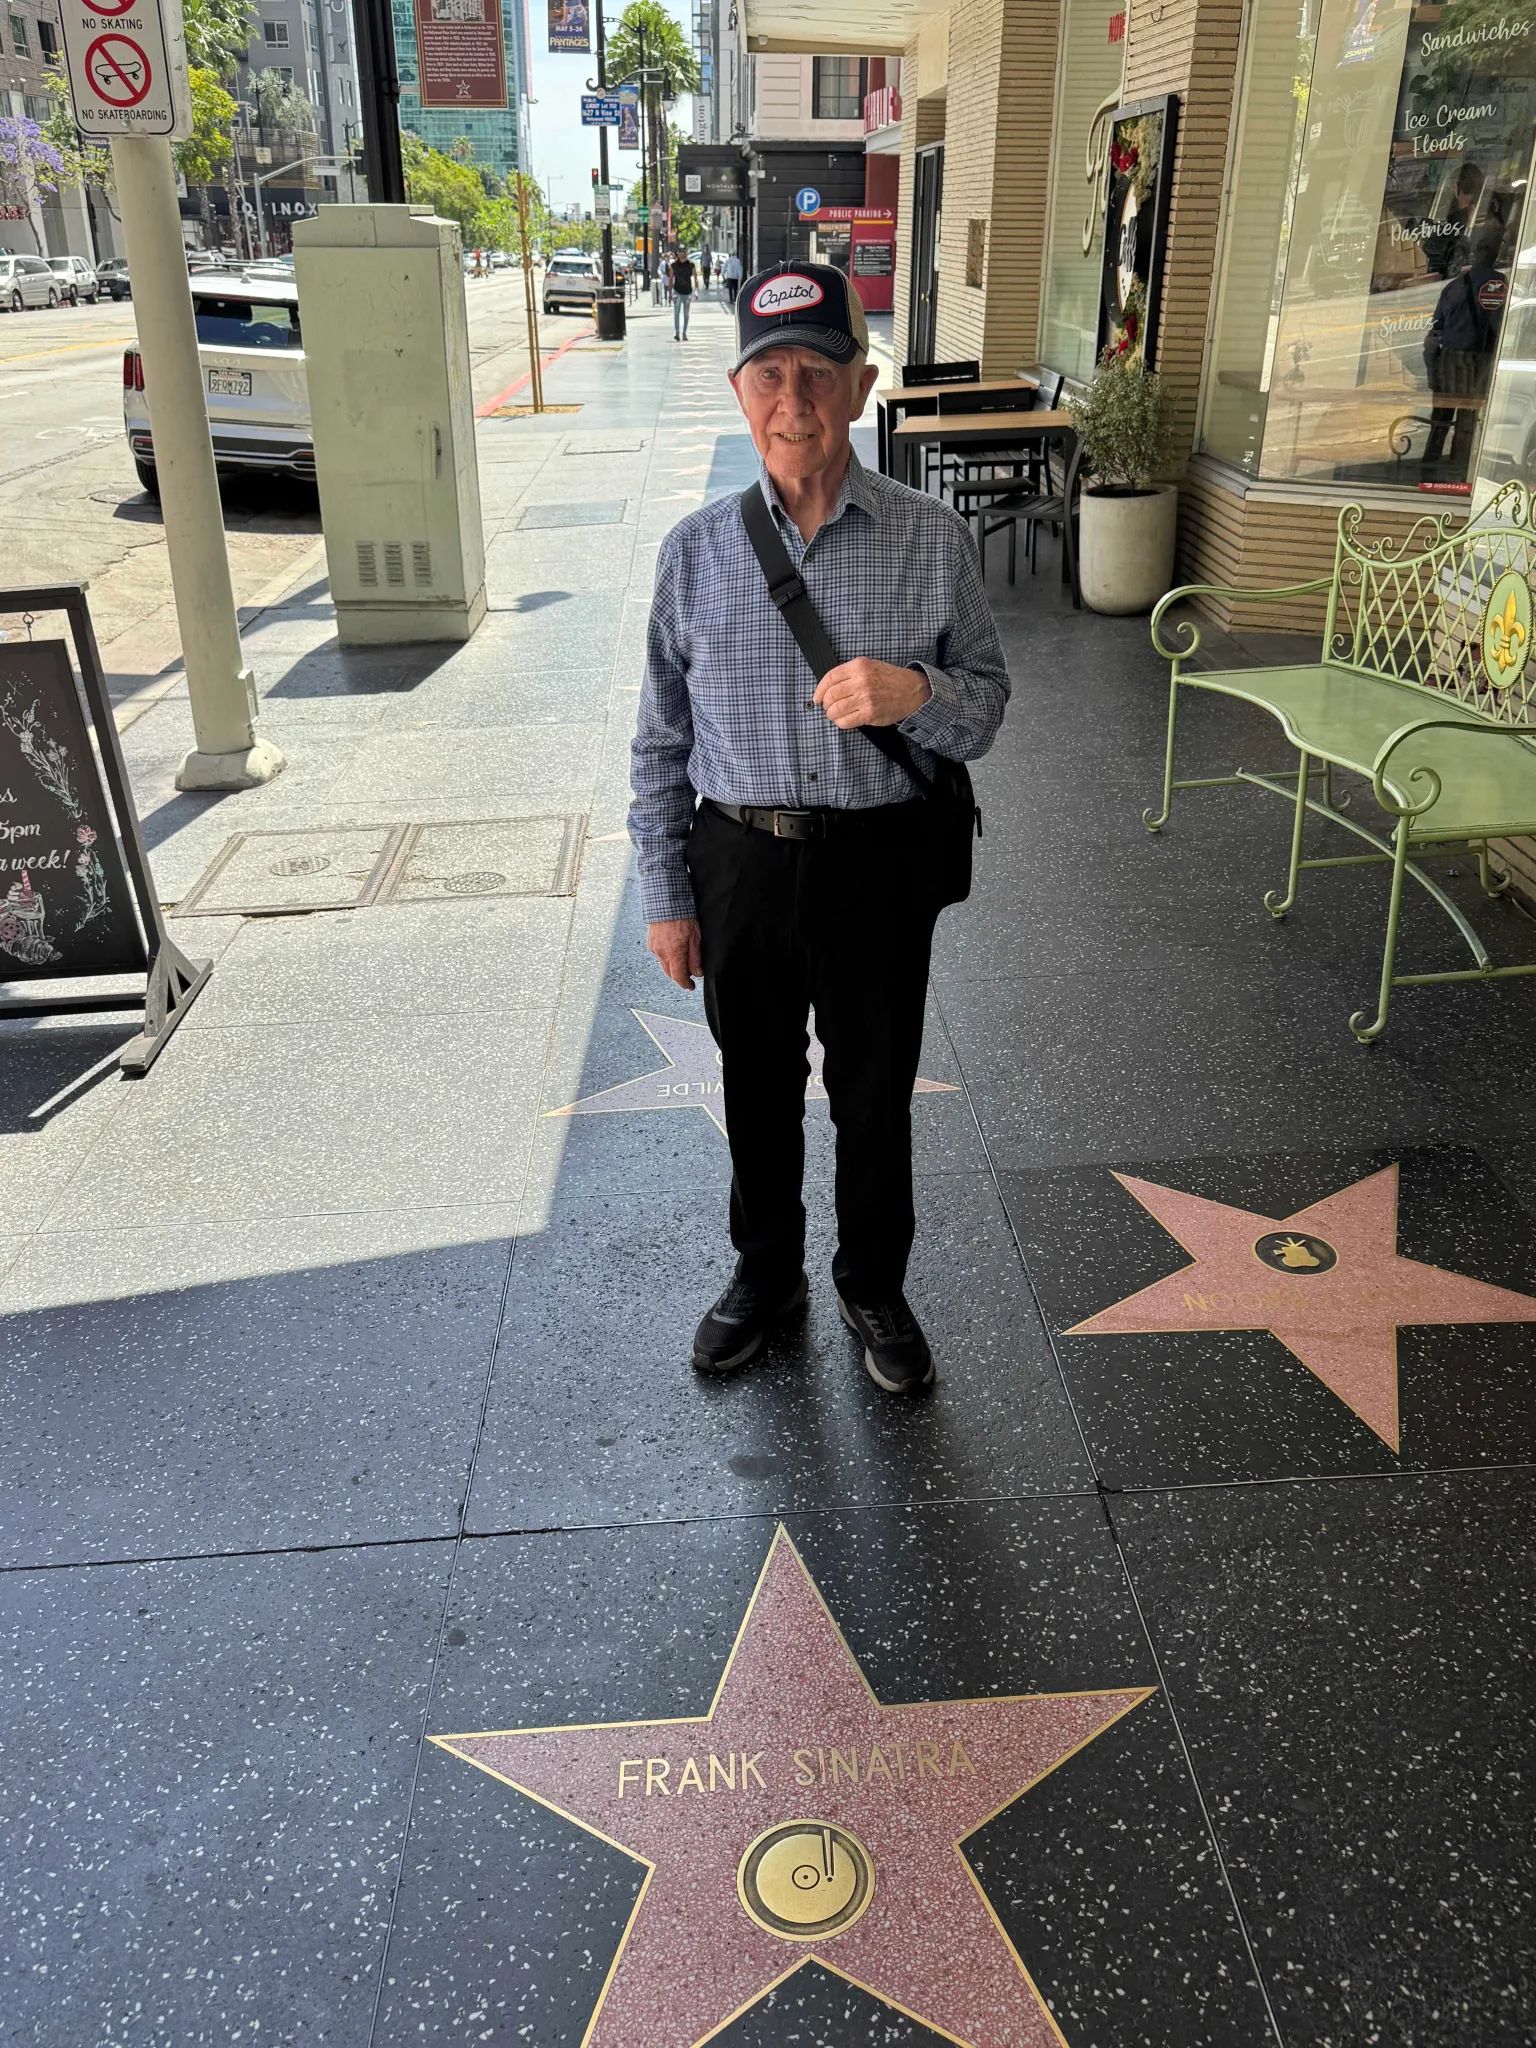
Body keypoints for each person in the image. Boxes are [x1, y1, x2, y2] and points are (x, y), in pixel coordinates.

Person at [629, 261, 1010, 1395]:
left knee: (874, 1090)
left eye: (818, 373)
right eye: (769, 375)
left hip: (877, 863)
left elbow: (986, 705)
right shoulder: (695, 551)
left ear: (861, 385)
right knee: (754, 1083)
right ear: (739, 391)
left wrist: (913, 692)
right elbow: (658, 743)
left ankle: (873, 1281)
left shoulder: (932, 539)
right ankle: (766, 1274)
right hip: (739, 857)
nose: (793, 400)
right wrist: (666, 896)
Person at [1423, 224, 1507, 470]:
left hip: (1450, 357)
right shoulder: (1498, 283)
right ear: (1493, 251)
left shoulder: (1454, 287)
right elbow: (1500, 325)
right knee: (1467, 418)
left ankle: (1429, 463)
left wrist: (1433, 368)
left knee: (1441, 415)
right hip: (1478, 358)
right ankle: (1459, 468)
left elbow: (1435, 331)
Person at [669, 245, 696, 338]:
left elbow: (695, 278)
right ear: (677, 253)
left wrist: (696, 291)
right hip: (677, 291)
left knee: (686, 314)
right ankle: (677, 333)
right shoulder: (673, 265)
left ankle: (684, 333)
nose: (681, 253)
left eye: (683, 251)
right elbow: (671, 279)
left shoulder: (691, 264)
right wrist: (670, 292)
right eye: (679, 251)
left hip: (687, 291)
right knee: (676, 313)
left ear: (685, 252)